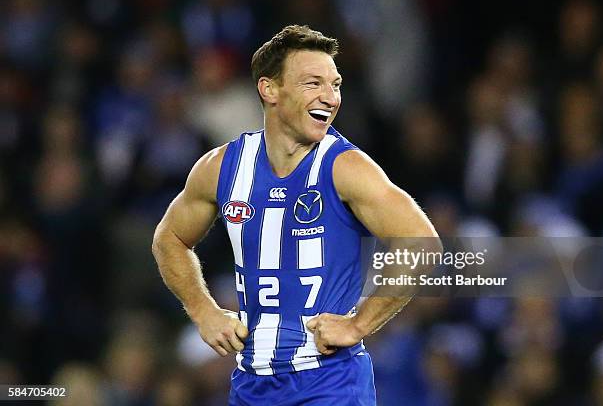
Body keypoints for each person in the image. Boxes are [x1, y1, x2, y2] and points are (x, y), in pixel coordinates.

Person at [152, 25, 439, 405]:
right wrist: (202, 310)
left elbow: (422, 244)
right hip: (251, 385)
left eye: (335, 84)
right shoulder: (222, 168)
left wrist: (359, 324)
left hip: (330, 382)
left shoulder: (345, 168)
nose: (330, 96)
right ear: (270, 90)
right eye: (313, 83)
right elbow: (168, 239)